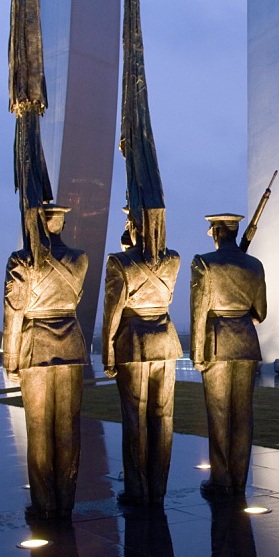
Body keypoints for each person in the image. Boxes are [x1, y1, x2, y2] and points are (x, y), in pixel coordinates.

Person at [3, 204, 89, 520]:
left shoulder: (22, 260)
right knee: (68, 427)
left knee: (39, 428)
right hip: (70, 344)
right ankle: (65, 498)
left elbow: (14, 312)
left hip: (34, 347)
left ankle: (43, 501)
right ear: (61, 223)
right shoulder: (80, 259)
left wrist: (10, 359)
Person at [101, 207, 182, 506]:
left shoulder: (119, 262)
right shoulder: (172, 259)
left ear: (135, 227)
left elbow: (113, 313)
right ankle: (158, 486)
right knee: (163, 418)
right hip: (165, 342)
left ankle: (138, 487)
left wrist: (108, 352)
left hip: (132, 343)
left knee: (134, 419)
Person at [189, 214, 267, 498]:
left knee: (219, 414)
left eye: (212, 229)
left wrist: (197, 354)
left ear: (218, 231)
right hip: (246, 343)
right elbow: (260, 313)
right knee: (243, 415)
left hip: (218, 344)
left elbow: (199, 313)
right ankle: (238, 479)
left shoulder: (204, 263)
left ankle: (221, 479)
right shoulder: (254, 265)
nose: (210, 232)